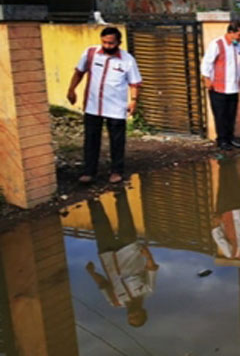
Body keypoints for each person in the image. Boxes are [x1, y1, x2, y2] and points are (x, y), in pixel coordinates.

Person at [67, 26, 142, 184]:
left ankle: (116, 171)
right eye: (105, 42)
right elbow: (79, 72)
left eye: (111, 43)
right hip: (93, 105)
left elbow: (135, 83)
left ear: (118, 42)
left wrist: (133, 101)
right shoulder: (90, 53)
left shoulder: (127, 60)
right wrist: (71, 90)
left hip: (116, 107)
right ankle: (89, 171)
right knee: (91, 139)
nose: (107, 46)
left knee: (117, 140)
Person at [85, 190, 158, 327]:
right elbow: (151, 269)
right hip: (128, 249)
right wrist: (147, 255)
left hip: (108, 255)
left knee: (100, 225)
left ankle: (92, 198)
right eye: (136, 316)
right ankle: (119, 191)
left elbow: (104, 285)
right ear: (143, 312)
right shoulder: (148, 290)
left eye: (130, 318)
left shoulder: (115, 302)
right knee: (125, 219)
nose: (131, 315)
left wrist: (92, 272)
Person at [201, 22, 240, 151]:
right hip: (218, 86)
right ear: (231, 32)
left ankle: (230, 138)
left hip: (233, 85)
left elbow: (239, 63)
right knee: (220, 114)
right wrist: (206, 78)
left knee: (231, 114)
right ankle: (222, 140)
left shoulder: (238, 46)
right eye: (239, 35)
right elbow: (207, 62)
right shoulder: (217, 44)